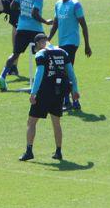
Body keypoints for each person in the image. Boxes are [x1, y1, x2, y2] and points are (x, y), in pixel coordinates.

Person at [21, 33, 79, 162]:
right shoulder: (63, 52)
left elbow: (39, 73)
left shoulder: (41, 54)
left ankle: (29, 151)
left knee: (31, 122)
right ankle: (58, 151)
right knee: (56, 123)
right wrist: (75, 90)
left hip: (44, 92)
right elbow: (71, 73)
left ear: (37, 44)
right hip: (58, 92)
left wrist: (33, 92)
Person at [0, 0, 51, 92]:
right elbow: (34, 14)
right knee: (45, 52)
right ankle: (45, 79)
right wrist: (46, 22)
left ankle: (2, 76)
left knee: (15, 54)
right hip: (35, 30)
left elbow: (12, 6)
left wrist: (23, 9)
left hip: (21, 28)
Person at [49, 0, 92, 111]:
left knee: (65, 72)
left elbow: (83, 25)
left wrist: (87, 45)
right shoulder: (58, 4)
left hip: (72, 42)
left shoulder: (75, 4)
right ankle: (74, 102)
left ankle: (68, 101)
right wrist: (48, 38)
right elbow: (56, 23)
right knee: (67, 72)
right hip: (62, 43)